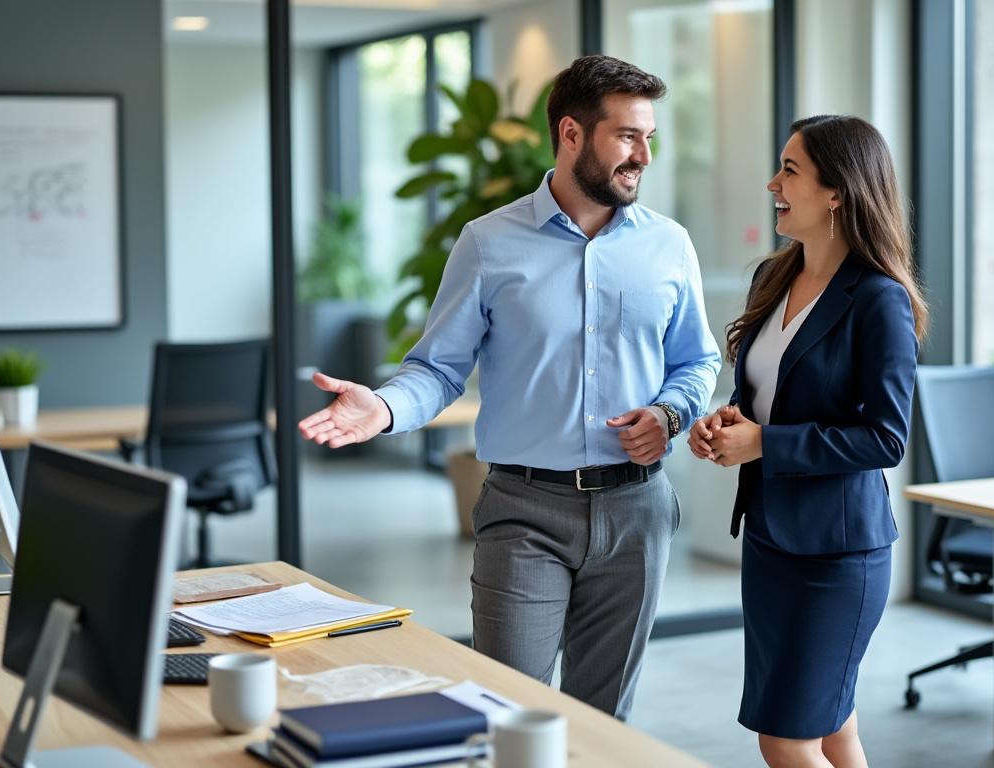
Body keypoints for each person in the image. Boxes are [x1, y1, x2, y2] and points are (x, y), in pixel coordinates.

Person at [298, 54, 720, 720]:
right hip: (525, 513)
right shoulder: (488, 242)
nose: (643, 154)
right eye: (627, 136)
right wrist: (382, 408)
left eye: (650, 137)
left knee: (604, 722)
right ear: (572, 135)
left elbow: (697, 361)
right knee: (509, 711)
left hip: (637, 513)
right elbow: (438, 368)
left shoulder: (669, 245)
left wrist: (669, 415)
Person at [688, 115, 927, 768]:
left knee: (785, 739)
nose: (773, 183)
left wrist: (768, 444)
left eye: (789, 170)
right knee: (831, 730)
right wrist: (726, 422)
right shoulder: (775, 276)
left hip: (837, 555)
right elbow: (769, 392)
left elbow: (885, 437)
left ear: (837, 192)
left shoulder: (877, 300)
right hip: (771, 538)